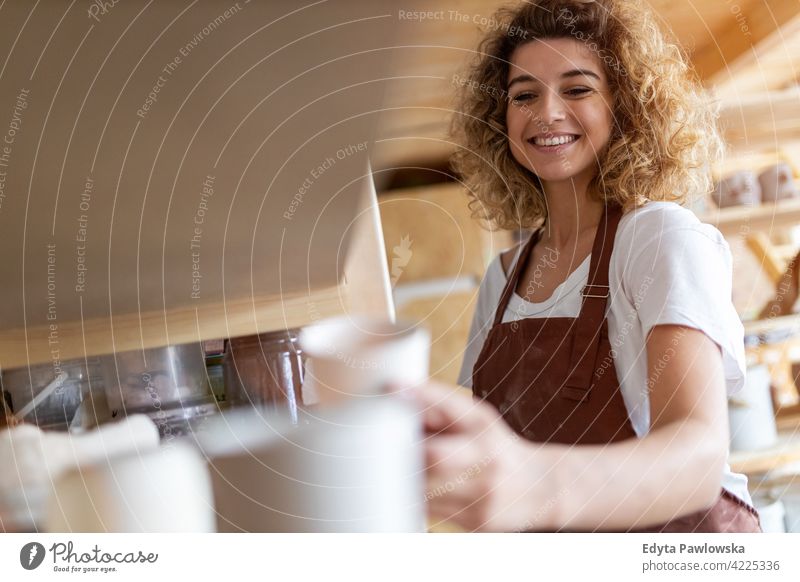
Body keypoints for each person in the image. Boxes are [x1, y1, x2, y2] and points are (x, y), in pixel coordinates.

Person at [418, 0, 762, 532]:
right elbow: (497, 450)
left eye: (577, 89)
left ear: (624, 105)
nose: (546, 112)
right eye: (523, 95)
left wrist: (536, 486)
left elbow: (698, 457)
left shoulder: (657, 237)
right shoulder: (502, 279)